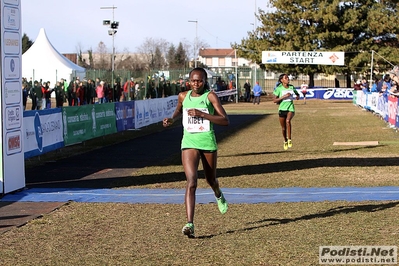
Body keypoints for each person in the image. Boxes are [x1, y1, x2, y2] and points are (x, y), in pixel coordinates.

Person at [162, 67, 229, 238]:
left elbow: (224, 120)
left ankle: (218, 193)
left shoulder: (210, 96)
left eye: (199, 80)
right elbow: (179, 110)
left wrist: (202, 114)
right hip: (189, 142)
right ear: (189, 81)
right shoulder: (183, 96)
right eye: (193, 80)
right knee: (191, 181)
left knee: (210, 179)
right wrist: (172, 118)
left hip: (207, 142)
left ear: (205, 81)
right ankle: (189, 223)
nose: (196, 83)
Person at [273, 73, 300, 150]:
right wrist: (283, 96)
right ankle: (285, 140)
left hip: (290, 108)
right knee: (283, 128)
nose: (288, 79)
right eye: (286, 78)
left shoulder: (291, 87)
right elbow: (274, 100)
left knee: (288, 121)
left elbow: (297, 94)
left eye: (288, 78)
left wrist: (297, 96)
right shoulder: (279, 88)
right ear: (282, 80)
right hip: (282, 109)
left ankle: (289, 139)